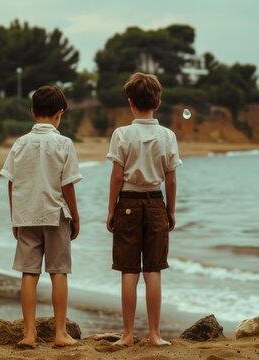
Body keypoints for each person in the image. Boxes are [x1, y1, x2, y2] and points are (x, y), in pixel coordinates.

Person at [0, 85, 82, 348]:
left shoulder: (20, 144)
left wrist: (15, 217)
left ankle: (29, 335)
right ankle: (60, 333)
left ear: (33, 112)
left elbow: (11, 183)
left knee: (29, 273)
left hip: (26, 215)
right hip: (55, 213)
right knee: (58, 272)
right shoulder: (64, 144)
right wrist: (76, 216)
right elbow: (67, 184)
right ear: (60, 113)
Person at [105, 72, 182, 346]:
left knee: (129, 271)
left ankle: (126, 335)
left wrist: (112, 208)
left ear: (130, 102)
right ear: (158, 102)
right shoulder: (167, 136)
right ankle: (154, 334)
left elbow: (116, 176)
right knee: (153, 270)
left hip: (127, 202)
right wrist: (170, 211)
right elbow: (171, 179)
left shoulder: (122, 134)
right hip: (155, 202)